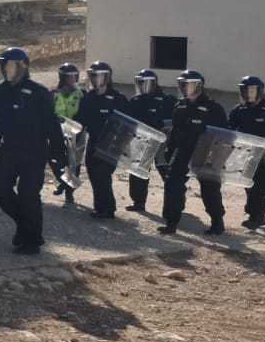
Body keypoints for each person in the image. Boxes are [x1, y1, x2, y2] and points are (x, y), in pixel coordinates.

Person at [0, 47, 66, 256]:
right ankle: (23, 224)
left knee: (29, 195)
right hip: (8, 148)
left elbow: (52, 125)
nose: (6, 69)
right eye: (4, 65)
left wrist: (58, 155)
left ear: (22, 67)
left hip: (34, 150)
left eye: (10, 65)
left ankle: (33, 241)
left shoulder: (39, 92)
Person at [158, 70, 228, 236]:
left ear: (199, 86)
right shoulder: (179, 106)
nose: (186, 88)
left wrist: (216, 157)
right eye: (183, 85)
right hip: (182, 150)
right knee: (172, 183)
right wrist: (170, 148)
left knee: (210, 187)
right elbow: (175, 130)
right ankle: (171, 221)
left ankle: (217, 221)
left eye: (189, 85)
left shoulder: (213, 108)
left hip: (205, 153)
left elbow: (223, 135)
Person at [228, 75, 265, 230]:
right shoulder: (238, 110)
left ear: (260, 92)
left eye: (252, 91)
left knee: (258, 187)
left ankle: (256, 217)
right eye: (246, 90)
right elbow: (229, 130)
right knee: (249, 186)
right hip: (246, 155)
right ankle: (262, 210)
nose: (249, 94)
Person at [74, 60, 128, 219]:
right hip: (94, 140)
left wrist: (122, 143)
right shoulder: (88, 98)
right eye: (93, 76)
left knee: (102, 174)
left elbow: (128, 123)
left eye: (99, 76)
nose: (95, 79)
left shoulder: (118, 98)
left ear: (107, 77)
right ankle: (101, 208)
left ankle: (108, 209)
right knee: (92, 173)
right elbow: (80, 120)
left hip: (112, 143)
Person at [123, 69, 175, 214]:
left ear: (155, 83)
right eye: (141, 83)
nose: (145, 86)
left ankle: (175, 204)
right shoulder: (135, 101)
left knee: (169, 175)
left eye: (148, 83)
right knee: (138, 173)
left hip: (162, 145)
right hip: (141, 142)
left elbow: (175, 121)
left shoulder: (167, 100)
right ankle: (138, 202)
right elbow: (128, 121)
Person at [49, 62, 84, 206]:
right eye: (69, 77)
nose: (73, 80)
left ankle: (69, 192)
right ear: (62, 78)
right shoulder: (53, 94)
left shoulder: (81, 94)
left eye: (75, 77)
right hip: (57, 131)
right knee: (54, 159)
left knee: (73, 162)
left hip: (76, 131)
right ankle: (63, 181)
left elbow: (86, 111)